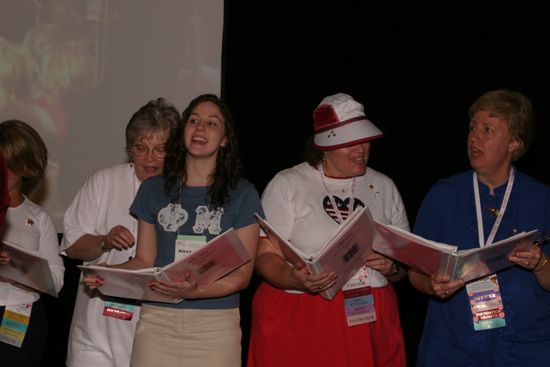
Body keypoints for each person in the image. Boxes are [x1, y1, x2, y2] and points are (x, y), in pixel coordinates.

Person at [86, 94, 263, 367]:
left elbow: (242, 275)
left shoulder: (243, 194)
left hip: (214, 328)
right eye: (193, 121)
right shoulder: (153, 189)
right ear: (183, 132)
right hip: (158, 321)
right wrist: (108, 277)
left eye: (211, 123)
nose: (200, 128)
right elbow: (145, 260)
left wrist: (195, 292)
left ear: (225, 139)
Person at [248, 93, 409, 367]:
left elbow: (406, 266)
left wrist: (392, 267)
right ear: (325, 146)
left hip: (368, 312)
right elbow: (264, 256)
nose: (361, 150)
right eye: (350, 143)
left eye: (364, 140)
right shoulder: (288, 184)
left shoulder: (384, 186)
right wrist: (293, 277)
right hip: (302, 314)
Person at [409, 89, 550, 366]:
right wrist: (430, 284)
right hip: (451, 350)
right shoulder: (443, 194)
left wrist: (540, 263)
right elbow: (414, 270)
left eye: (488, 130)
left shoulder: (543, 199)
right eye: (472, 128)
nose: (474, 137)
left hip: (525, 351)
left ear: (514, 143)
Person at [60, 97, 180, 367]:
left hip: (152, 327)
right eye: (141, 148)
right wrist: (104, 241)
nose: (150, 158)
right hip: (95, 328)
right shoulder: (104, 181)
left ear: (175, 152)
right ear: (129, 150)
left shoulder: (184, 193)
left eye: (160, 149)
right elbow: (73, 248)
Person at [0, 119, 65, 366]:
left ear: (25, 167)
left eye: (9, 166)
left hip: (20, 315)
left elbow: (57, 282)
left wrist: (14, 269)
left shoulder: (39, 218)